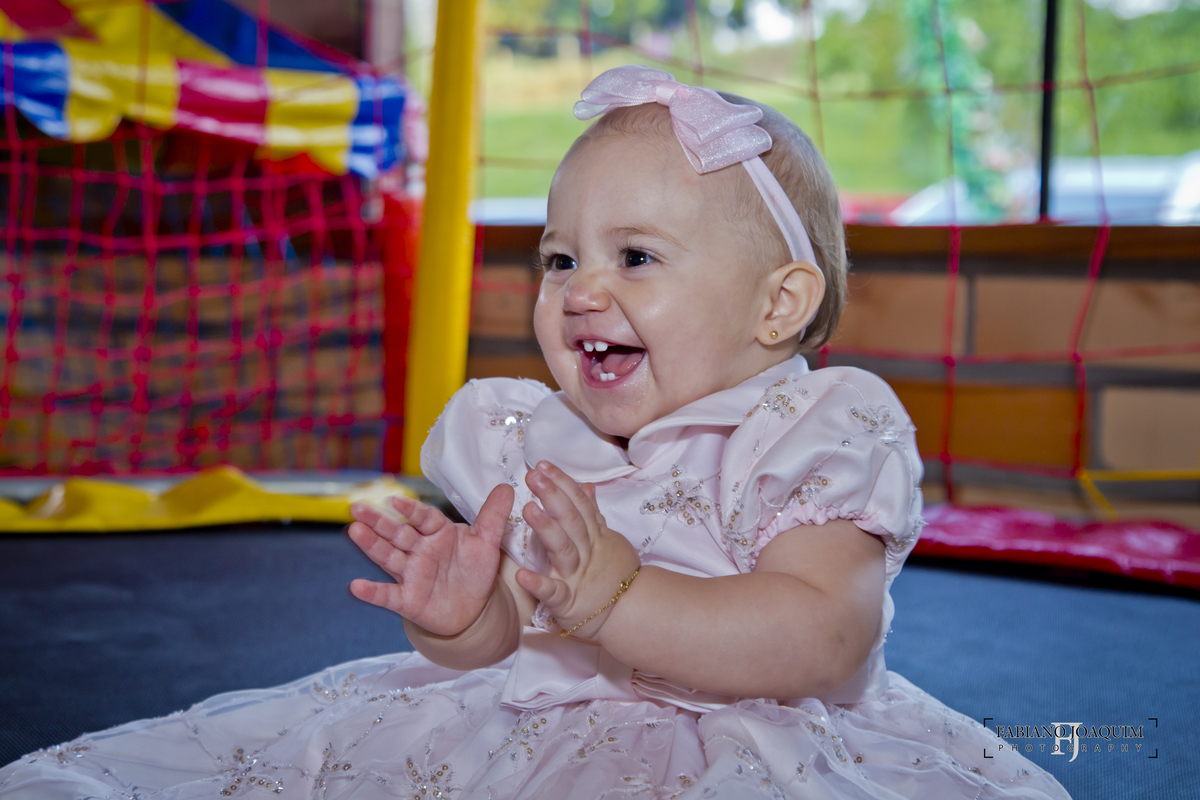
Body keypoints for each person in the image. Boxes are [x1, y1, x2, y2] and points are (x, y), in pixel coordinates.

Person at [0, 65, 1071, 799]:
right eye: (561, 259)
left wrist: (620, 600)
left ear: (778, 305)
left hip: (762, 742)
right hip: (528, 726)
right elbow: (514, 633)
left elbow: (822, 634)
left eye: (635, 258)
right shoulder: (538, 437)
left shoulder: (812, 431)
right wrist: (464, 618)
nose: (580, 290)